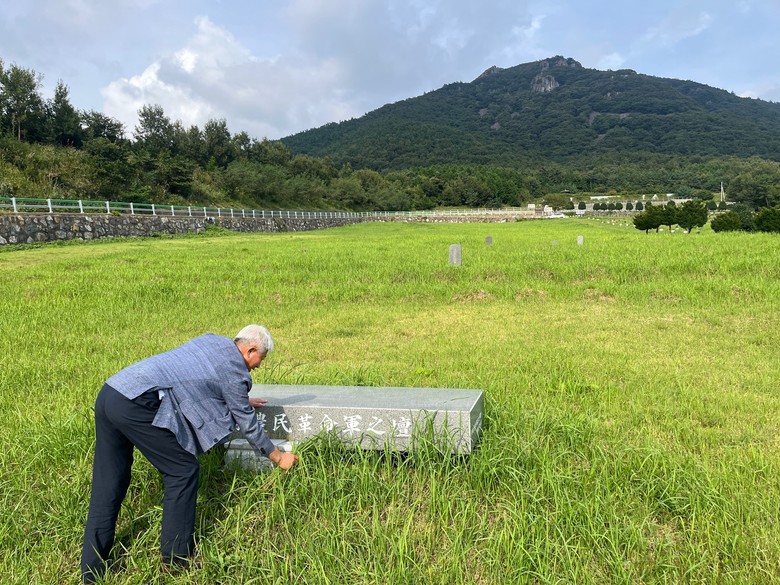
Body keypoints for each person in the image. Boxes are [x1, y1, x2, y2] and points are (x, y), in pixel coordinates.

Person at [81, 324, 297, 583]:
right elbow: (247, 422)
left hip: (112, 392)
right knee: (182, 471)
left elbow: (193, 375)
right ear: (250, 350)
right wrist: (278, 457)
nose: (258, 366)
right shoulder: (234, 369)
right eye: (260, 359)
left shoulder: (212, 341)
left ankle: (91, 571)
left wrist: (237, 397)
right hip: (135, 403)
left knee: (109, 481)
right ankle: (176, 561)